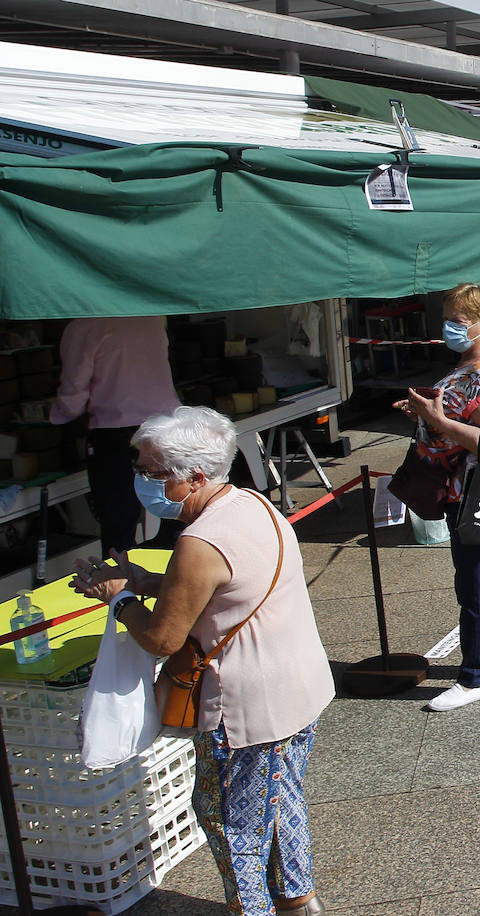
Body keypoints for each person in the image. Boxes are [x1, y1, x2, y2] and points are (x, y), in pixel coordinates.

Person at [71, 406, 333, 916]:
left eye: (152, 473)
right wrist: (147, 582)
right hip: (300, 685)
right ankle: (299, 899)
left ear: (193, 477)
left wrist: (120, 599)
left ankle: (251, 909)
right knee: (280, 799)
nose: (143, 482)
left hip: (245, 706)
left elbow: (163, 639)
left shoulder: (198, 540)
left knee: (227, 820)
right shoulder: (250, 503)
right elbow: (229, 583)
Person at [397, 284, 480, 711]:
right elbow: (464, 410)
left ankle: (475, 678)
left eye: (458, 321)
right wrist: (430, 411)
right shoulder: (477, 360)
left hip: (475, 489)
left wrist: (437, 419)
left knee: (475, 583)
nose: (449, 328)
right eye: (447, 319)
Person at [49, 318, 181, 556]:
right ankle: (175, 578)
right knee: (175, 512)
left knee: (118, 523)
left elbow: (73, 390)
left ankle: (121, 586)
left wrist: (60, 414)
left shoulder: (83, 327)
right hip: (165, 425)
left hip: (116, 431)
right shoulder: (150, 318)